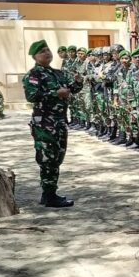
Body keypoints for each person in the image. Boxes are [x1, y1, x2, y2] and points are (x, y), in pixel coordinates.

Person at [22, 39, 83, 207]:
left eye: (48, 50)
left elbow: (70, 89)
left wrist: (77, 82)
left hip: (60, 122)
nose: (47, 53)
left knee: (57, 157)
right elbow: (32, 96)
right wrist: (56, 93)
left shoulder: (57, 73)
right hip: (44, 123)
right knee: (47, 159)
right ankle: (49, 195)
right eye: (42, 51)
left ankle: (49, 193)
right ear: (35, 56)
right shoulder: (34, 74)